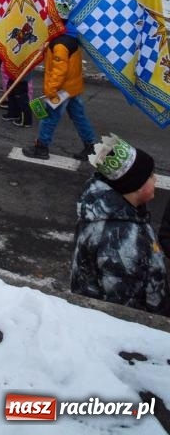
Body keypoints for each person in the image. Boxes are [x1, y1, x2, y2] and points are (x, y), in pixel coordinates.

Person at [70, 133, 169, 317]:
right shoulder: (121, 242)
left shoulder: (116, 211)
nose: (155, 179)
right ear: (136, 185)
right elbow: (125, 309)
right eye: (150, 176)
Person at [23, 27, 96, 160]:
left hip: (60, 90)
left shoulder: (60, 45)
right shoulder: (71, 38)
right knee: (79, 117)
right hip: (73, 87)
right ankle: (90, 146)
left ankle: (41, 147)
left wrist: (51, 91)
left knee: (49, 118)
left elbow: (59, 71)